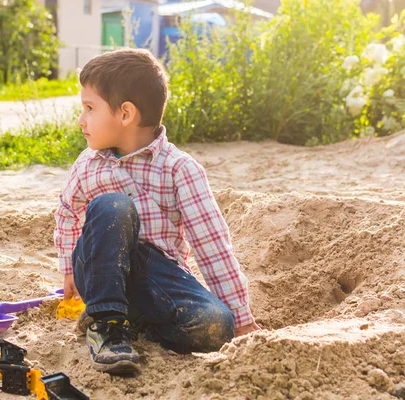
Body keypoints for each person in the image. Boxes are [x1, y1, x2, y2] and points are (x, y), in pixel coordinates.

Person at [53, 48, 259, 374]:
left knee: (218, 324)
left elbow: (212, 246)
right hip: (98, 268)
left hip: (158, 278)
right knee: (112, 205)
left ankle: (140, 324)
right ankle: (106, 325)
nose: (81, 119)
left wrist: (242, 318)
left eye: (89, 108)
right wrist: (68, 268)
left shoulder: (179, 169)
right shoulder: (88, 165)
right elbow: (67, 211)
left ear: (125, 114)